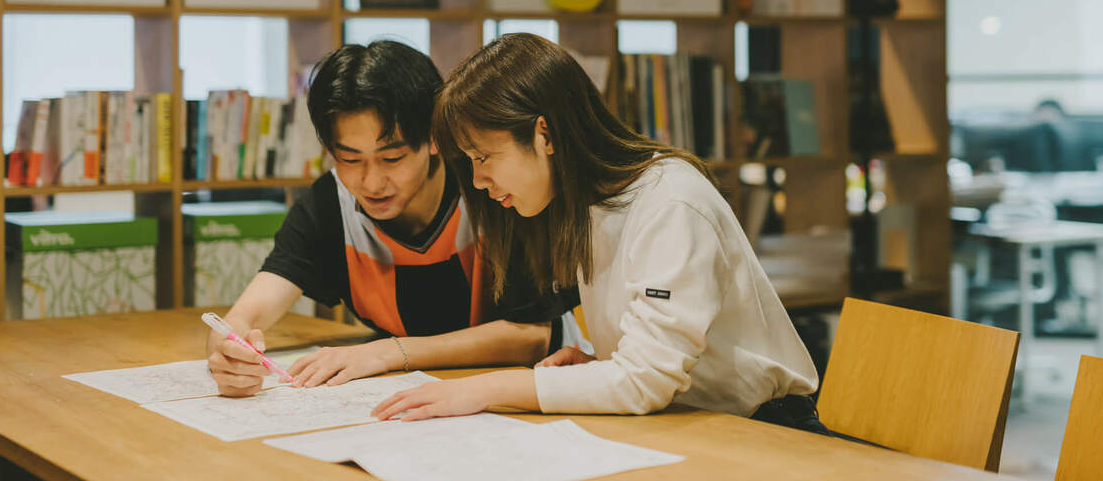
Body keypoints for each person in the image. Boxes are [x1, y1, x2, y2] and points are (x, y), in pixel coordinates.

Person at [370, 33, 821, 430]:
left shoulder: (670, 201)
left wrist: (489, 388)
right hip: (688, 420)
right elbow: (650, 370)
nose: (479, 180)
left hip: (767, 428)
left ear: (544, 133)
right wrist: (597, 369)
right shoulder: (585, 206)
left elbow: (646, 381)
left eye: (484, 157)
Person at [206, 40, 578, 396]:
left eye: (392, 158)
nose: (370, 182)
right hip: (413, 394)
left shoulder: (493, 187)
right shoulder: (329, 204)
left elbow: (531, 336)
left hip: (537, 388)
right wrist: (230, 350)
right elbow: (246, 314)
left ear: (434, 138)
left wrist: (387, 352)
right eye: (349, 159)